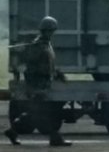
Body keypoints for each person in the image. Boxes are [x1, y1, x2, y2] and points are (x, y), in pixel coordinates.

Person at [4, 16, 71, 147]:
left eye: (52, 31)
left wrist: (58, 74)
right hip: (37, 86)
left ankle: (12, 131)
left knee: (35, 114)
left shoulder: (46, 45)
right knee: (44, 113)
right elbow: (30, 67)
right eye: (49, 30)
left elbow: (48, 65)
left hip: (43, 85)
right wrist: (34, 86)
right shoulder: (37, 47)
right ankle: (55, 138)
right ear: (45, 30)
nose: (51, 33)